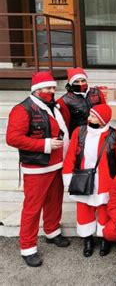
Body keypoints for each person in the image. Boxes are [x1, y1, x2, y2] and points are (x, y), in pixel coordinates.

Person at [6, 71, 70, 267]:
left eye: (53, 87)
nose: (51, 91)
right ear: (36, 89)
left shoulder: (53, 105)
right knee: (32, 208)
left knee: (54, 200)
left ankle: (52, 231)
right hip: (37, 166)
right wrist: (45, 145)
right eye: (47, 88)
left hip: (57, 163)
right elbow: (13, 138)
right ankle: (28, 247)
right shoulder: (22, 109)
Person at [62, 104, 116, 257]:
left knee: (105, 209)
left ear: (101, 120)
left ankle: (105, 238)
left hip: (106, 179)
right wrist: (68, 175)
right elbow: (71, 155)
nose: (88, 118)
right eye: (90, 115)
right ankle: (87, 239)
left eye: (93, 116)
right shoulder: (79, 132)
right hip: (83, 177)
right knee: (84, 209)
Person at [57, 67, 106, 136]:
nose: (81, 84)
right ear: (71, 83)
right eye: (77, 81)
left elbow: (104, 112)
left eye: (83, 81)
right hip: (79, 135)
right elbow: (64, 123)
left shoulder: (97, 93)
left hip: (98, 132)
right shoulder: (64, 101)